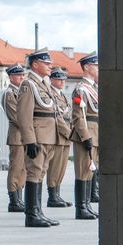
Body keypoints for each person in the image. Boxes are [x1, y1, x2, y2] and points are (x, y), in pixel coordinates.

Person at [16, 49, 60, 228]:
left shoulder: (44, 84)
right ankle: (32, 214)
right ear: (35, 64)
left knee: (40, 172)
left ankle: (38, 211)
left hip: (48, 135)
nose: (50, 66)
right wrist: (29, 140)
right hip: (38, 136)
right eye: (46, 63)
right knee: (34, 172)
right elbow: (24, 115)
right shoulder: (28, 84)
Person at [70, 52, 100, 219]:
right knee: (83, 170)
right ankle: (80, 207)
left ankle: (87, 205)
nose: (98, 69)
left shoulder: (94, 89)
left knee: (90, 171)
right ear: (87, 67)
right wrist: (85, 136)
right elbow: (78, 116)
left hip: (96, 133)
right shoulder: (81, 89)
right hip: (87, 133)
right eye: (95, 66)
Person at [45, 68, 73, 209]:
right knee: (55, 167)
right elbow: (58, 117)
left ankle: (57, 193)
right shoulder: (51, 94)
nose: (62, 82)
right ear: (52, 80)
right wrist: (69, 132)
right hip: (58, 135)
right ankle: (52, 196)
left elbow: (68, 114)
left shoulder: (62, 95)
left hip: (66, 136)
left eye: (63, 79)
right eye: (59, 79)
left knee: (62, 167)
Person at [3, 64, 27, 212]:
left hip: (25, 136)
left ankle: (19, 198)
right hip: (17, 136)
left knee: (23, 169)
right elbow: (16, 116)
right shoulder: (9, 93)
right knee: (15, 168)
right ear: (11, 77)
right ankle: (13, 201)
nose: (22, 77)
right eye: (19, 75)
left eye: (22, 75)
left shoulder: (21, 92)